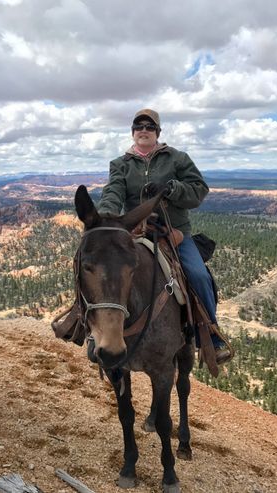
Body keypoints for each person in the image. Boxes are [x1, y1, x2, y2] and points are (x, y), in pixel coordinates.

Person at [97, 108, 231, 364]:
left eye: (149, 126)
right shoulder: (120, 164)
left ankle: (211, 335)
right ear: (132, 132)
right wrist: (106, 217)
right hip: (136, 231)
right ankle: (90, 329)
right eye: (138, 126)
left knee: (198, 275)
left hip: (173, 233)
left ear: (157, 131)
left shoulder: (177, 159)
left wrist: (171, 188)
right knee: (104, 270)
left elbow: (199, 191)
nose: (143, 130)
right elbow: (113, 192)